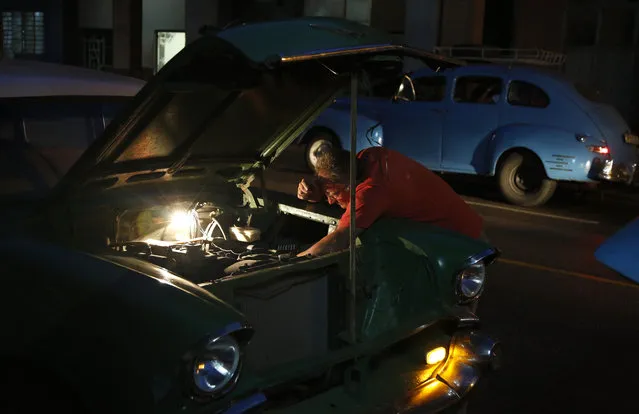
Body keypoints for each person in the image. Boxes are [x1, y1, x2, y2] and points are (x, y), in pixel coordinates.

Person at [296, 146, 484, 257]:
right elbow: (346, 190)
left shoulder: (373, 192)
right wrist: (317, 192)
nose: (330, 201)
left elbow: (339, 239)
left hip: (461, 238)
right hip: (458, 222)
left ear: (347, 183)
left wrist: (296, 260)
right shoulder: (369, 156)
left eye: (333, 194)